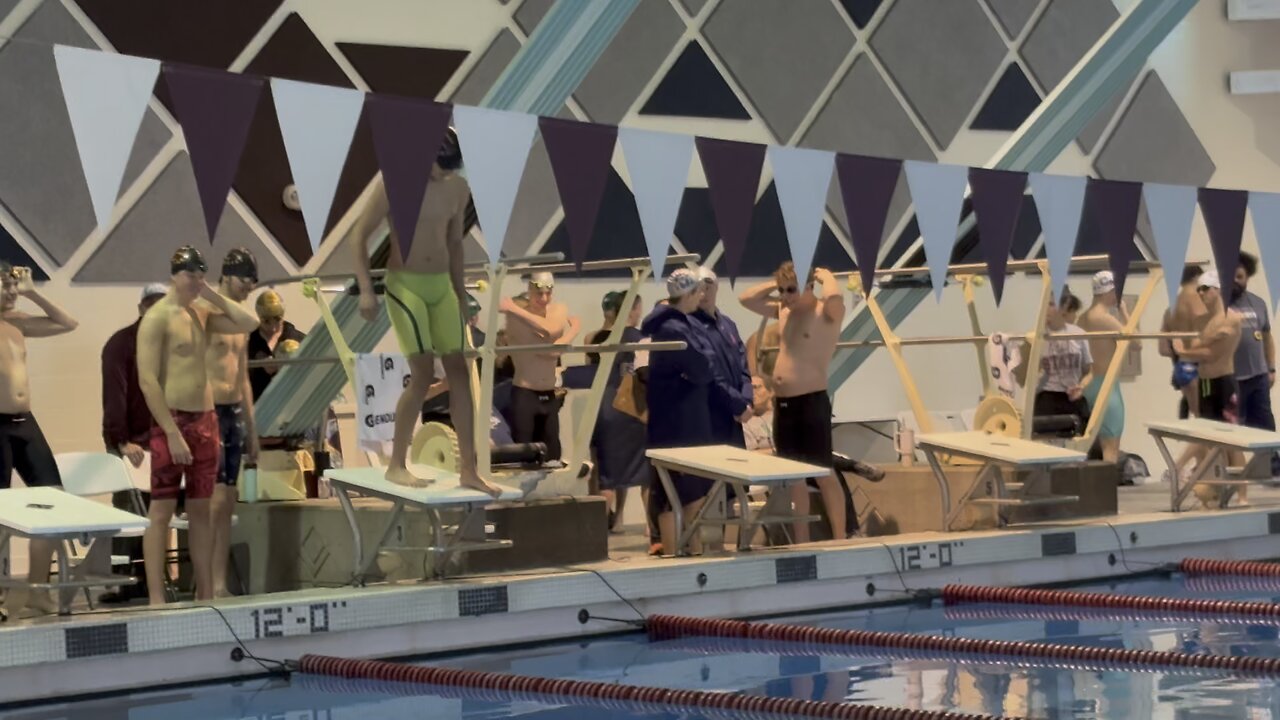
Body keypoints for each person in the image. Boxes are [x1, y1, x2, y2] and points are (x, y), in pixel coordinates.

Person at [351, 129, 499, 495]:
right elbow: (358, 237)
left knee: (461, 373)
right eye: (438, 166)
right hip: (405, 285)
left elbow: (454, 244)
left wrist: (461, 293)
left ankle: (469, 469)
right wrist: (366, 290)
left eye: (449, 168)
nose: (442, 174)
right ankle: (397, 465)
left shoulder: (457, 189)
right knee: (421, 373)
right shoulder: (394, 183)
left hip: (441, 287)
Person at [137, 246, 259, 604]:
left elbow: (248, 323)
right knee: (160, 509)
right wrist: (171, 433)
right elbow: (147, 381)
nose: (196, 282)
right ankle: (157, 597)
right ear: (175, 275)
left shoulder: (202, 313)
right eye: (191, 276)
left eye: (200, 276)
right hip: (172, 421)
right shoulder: (157, 318)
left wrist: (209, 293)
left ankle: (206, 593)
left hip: (207, 420)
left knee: (202, 509)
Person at [739, 262, 848, 544]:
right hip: (785, 406)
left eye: (792, 290)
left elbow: (836, 298)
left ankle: (840, 538)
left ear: (811, 286)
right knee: (795, 476)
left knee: (823, 472)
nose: (786, 296)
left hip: (811, 402)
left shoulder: (826, 312)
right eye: (782, 291)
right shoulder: (784, 311)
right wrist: (777, 284)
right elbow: (746, 298)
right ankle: (801, 540)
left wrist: (827, 276)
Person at [0, 263, 78, 618]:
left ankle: (36, 589)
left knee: (52, 499)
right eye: (5, 287)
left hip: (24, 422)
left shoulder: (17, 322)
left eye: (14, 288)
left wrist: (33, 292)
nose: (11, 293)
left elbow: (67, 323)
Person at [99, 282, 168, 603]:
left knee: (164, 509)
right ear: (140, 308)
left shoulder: (174, 344)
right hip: (131, 441)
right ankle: (124, 580)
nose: (156, 310)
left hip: (165, 440)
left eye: (162, 304)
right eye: (150, 303)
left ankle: (160, 576)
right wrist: (122, 441)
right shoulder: (121, 344)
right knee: (129, 509)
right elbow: (115, 397)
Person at [642, 269, 717, 555]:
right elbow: (702, 369)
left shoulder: (675, 323)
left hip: (674, 420)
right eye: (699, 291)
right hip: (680, 423)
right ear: (688, 294)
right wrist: (704, 363)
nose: (703, 296)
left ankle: (686, 551)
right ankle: (684, 554)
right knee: (683, 493)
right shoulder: (674, 328)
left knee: (677, 492)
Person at [205, 248, 260, 598]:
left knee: (228, 500)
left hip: (233, 414)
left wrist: (252, 430)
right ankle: (207, 583)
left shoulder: (240, 321)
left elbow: (243, 379)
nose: (247, 290)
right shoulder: (206, 313)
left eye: (252, 285)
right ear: (225, 276)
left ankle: (220, 582)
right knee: (212, 500)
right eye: (243, 282)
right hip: (207, 413)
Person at [1173, 270, 1244, 504]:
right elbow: (1202, 347)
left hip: (1224, 383)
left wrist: (1185, 351)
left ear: (1218, 289)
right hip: (1205, 384)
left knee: (1232, 442)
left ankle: (1242, 495)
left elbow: (1210, 354)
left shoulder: (1232, 318)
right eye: (1199, 289)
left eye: (1206, 289)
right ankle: (1213, 488)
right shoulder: (1204, 321)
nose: (1201, 293)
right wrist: (1205, 341)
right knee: (1210, 440)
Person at [500, 271, 580, 462]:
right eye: (538, 294)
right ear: (529, 291)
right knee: (524, 456)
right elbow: (551, 351)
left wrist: (513, 308)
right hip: (525, 395)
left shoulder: (557, 309)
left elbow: (550, 331)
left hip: (549, 396)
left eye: (548, 293)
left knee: (553, 455)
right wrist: (574, 329)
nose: (544, 299)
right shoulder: (516, 320)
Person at [587, 291, 647, 532]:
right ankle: (651, 530)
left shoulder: (599, 340)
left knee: (606, 476)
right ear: (633, 310)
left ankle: (597, 534)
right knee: (643, 475)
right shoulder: (644, 340)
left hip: (604, 409)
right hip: (634, 409)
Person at [690, 266, 752, 447]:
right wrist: (739, 405)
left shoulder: (728, 325)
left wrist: (746, 400)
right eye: (697, 288)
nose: (703, 293)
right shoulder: (690, 326)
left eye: (707, 287)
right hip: (709, 416)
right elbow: (710, 375)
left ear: (716, 288)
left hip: (735, 418)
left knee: (736, 471)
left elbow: (743, 365)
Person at [1230, 252, 1279, 476]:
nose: (1235, 281)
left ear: (1247, 276)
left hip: (1258, 376)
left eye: (1239, 276)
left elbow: (1267, 337)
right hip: (1231, 379)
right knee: (1231, 429)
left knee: (1265, 425)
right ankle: (1233, 472)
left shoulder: (1258, 303)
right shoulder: (1217, 305)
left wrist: (1271, 368)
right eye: (1230, 276)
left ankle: (1270, 468)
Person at [1016, 289, 1093, 429]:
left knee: (1085, 440)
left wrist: (1081, 386)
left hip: (1073, 397)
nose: (1046, 310)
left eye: (1051, 304)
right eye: (1045, 304)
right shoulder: (1035, 337)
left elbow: (1089, 371)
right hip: (1047, 397)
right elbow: (1022, 379)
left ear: (1064, 307)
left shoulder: (1078, 334)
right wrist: (1028, 349)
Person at [1076, 271, 1128, 465]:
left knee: (1091, 443)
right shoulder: (1105, 319)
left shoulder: (1081, 319)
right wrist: (1124, 312)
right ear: (1111, 291)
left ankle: (1092, 490)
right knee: (1110, 446)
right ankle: (1107, 492)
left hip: (1087, 384)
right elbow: (1136, 342)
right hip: (1106, 386)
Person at [1160, 266, 1210, 419]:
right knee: (1209, 422)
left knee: (1197, 417)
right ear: (1197, 278)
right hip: (1202, 367)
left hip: (1182, 367)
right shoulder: (1201, 301)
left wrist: (1180, 351)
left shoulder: (1170, 310)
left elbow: (1163, 349)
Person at [248, 289, 305, 402]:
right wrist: (258, 368)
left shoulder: (300, 340)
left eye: (277, 320)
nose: (273, 327)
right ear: (259, 317)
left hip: (292, 407)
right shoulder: (247, 343)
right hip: (258, 408)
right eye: (266, 321)